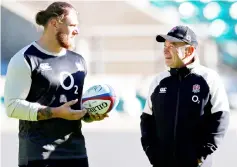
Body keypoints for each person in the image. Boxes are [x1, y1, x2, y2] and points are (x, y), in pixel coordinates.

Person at [4, 2, 107, 167]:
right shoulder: (25, 59)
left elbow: (72, 107)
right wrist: (56, 112)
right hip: (38, 155)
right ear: (53, 23)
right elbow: (12, 107)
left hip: (76, 154)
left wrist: (88, 114)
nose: (77, 31)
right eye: (72, 25)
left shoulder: (78, 61)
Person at [140, 25, 230, 167]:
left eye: (172, 45)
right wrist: (153, 155)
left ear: (189, 50)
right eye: (165, 45)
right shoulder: (158, 81)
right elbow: (147, 121)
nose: (165, 49)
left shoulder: (209, 78)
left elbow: (220, 120)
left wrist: (200, 157)